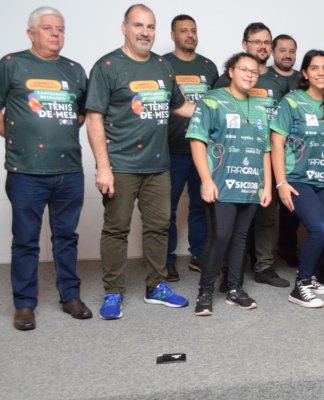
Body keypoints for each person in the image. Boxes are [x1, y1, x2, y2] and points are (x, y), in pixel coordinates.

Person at [85, 3, 195, 319]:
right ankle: (113, 292)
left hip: (158, 165)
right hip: (120, 165)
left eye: (150, 27)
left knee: (159, 227)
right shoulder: (107, 66)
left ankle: (156, 286)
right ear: (125, 27)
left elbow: (181, 106)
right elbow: (94, 118)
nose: (145, 32)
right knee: (116, 229)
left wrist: (219, 110)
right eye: (138, 26)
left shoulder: (162, 66)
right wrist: (103, 166)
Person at [1, 6, 91, 330]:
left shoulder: (75, 70)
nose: (55, 34)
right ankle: (25, 305)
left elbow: (82, 114)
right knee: (25, 240)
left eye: (60, 29)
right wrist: (19, 132)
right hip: (26, 172)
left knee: (66, 237)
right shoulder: (11, 65)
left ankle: (70, 296)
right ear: (31, 33)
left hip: (69, 171)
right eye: (48, 29)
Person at [187, 52, 272, 316]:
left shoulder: (259, 106)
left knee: (240, 237)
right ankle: (206, 291)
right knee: (220, 236)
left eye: (254, 71)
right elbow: (197, 139)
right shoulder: (212, 100)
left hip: (251, 184)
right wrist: (206, 180)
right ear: (231, 71)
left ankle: (234, 288)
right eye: (243, 69)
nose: (249, 74)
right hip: (221, 183)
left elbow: (266, 149)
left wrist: (267, 185)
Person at [216, 22, 290, 289]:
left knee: (267, 217)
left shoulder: (276, 81)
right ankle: (228, 273)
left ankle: (264, 267)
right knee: (233, 220)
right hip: (232, 160)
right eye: (256, 41)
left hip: (266, 157)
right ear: (244, 44)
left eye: (266, 42)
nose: (262, 47)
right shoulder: (228, 79)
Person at [271, 49, 324, 308]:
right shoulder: (292, 102)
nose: (321, 72)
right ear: (305, 73)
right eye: (315, 68)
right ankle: (300, 286)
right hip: (296, 177)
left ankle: (310, 275)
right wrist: (281, 183)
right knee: (320, 228)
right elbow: (277, 143)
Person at [163, 14, 218, 281]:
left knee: (201, 205)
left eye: (193, 30)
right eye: (183, 31)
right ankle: (166, 259)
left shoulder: (208, 67)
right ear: (173, 35)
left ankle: (199, 254)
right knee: (167, 208)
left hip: (203, 150)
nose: (189, 35)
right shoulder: (163, 64)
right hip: (171, 150)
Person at [270, 33, 302, 270]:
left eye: (291, 50)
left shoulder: (303, 78)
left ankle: (288, 250)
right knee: (264, 207)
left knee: (292, 208)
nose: (287, 55)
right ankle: (259, 256)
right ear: (273, 51)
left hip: (296, 156)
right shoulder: (263, 77)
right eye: (282, 50)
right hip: (265, 151)